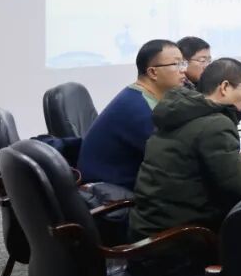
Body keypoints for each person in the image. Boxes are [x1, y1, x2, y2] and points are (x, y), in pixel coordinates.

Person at [129, 58, 241, 262]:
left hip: (147, 237)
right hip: (178, 245)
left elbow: (187, 166)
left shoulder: (179, 113)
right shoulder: (216, 124)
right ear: (225, 87)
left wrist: (235, 162)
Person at [78, 39, 187, 191]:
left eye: (183, 63)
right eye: (176, 64)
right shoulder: (136, 107)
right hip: (112, 192)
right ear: (153, 72)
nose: (183, 70)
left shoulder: (140, 96)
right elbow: (170, 157)